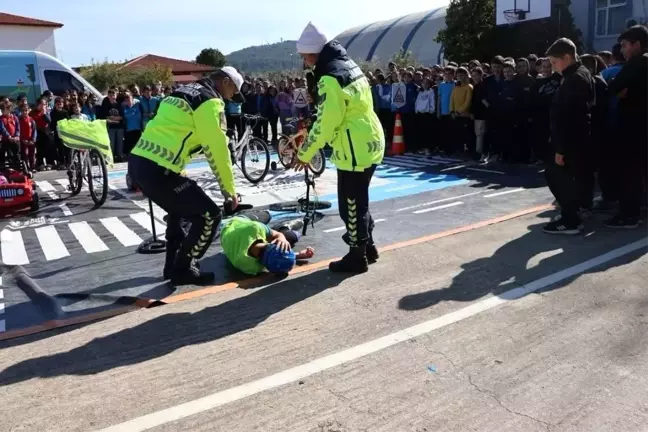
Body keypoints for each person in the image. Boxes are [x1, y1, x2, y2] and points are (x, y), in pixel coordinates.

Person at [129, 67, 243, 285]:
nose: (231, 99)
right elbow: (217, 149)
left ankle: (172, 266)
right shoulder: (210, 101)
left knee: (179, 212)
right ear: (226, 82)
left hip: (140, 162)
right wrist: (229, 191)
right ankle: (183, 268)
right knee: (209, 215)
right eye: (233, 92)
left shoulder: (180, 92)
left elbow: (170, 130)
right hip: (158, 169)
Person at [294, 22, 384, 274]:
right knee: (359, 201)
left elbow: (326, 122)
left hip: (354, 145)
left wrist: (306, 153)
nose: (304, 62)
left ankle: (357, 258)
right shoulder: (347, 65)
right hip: (367, 139)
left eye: (304, 57)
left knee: (351, 205)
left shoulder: (330, 77)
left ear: (313, 53)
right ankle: (368, 248)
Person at [543, 38, 595, 235]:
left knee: (557, 176)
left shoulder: (575, 80)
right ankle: (575, 211)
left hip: (571, 141)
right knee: (573, 178)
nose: (553, 67)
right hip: (577, 139)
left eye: (554, 62)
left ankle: (570, 219)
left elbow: (570, 118)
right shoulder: (578, 74)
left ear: (567, 57)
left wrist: (560, 149)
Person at [604, 25, 648, 228]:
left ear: (637, 44)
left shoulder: (637, 64)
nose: (622, 51)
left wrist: (619, 89)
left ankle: (629, 215)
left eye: (624, 45)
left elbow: (613, 87)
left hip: (633, 129)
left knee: (629, 173)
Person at [221, 216, 315, 275]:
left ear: (272, 243)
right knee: (291, 237)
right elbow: (274, 258)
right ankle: (281, 229)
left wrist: (281, 237)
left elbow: (274, 256)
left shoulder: (254, 228)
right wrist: (299, 255)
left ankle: (282, 228)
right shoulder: (250, 267)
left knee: (267, 215)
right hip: (235, 231)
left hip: (234, 223)